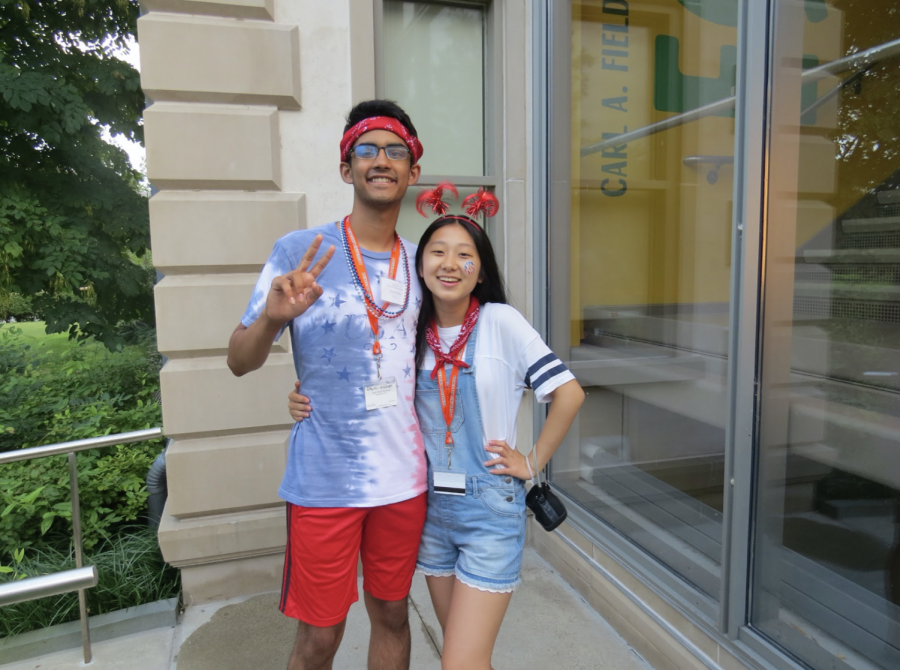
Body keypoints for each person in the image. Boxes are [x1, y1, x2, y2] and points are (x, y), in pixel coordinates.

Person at [289, 185, 585, 669]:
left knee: (461, 663)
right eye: (437, 252)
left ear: (480, 270)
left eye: (464, 255)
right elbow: (369, 385)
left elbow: (568, 394)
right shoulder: (411, 333)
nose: (449, 264)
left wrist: (532, 460)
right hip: (431, 514)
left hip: (489, 510)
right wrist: (305, 399)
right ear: (418, 264)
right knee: (460, 654)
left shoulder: (500, 322)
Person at [227, 100, 428, 670]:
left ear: (413, 170)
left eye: (395, 151)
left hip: (404, 479)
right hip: (325, 482)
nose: (381, 160)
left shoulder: (422, 263)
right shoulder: (300, 253)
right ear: (347, 169)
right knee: (320, 636)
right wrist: (272, 318)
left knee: (392, 615)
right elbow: (239, 360)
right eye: (367, 150)